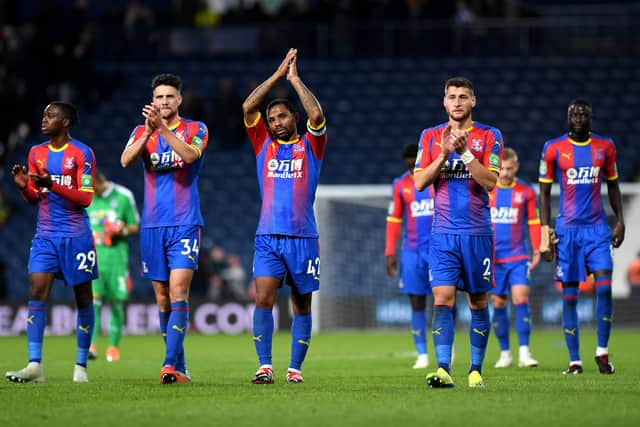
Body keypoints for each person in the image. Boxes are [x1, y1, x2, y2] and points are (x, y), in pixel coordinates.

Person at [242, 48, 326, 384]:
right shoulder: (262, 143)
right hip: (268, 237)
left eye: (282, 117)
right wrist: (276, 77)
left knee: (301, 305)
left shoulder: (311, 146)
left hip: (304, 237)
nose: (276, 123)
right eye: (272, 119)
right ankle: (264, 366)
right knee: (263, 298)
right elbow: (249, 107)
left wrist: (294, 80)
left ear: (294, 118)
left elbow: (317, 115)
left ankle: (295, 369)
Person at [414, 77, 502, 388]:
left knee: (478, 303)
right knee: (442, 299)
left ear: (473, 101)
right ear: (444, 101)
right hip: (443, 234)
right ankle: (443, 368)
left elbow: (491, 182)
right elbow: (420, 183)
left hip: (478, 233)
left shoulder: (491, 136)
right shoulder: (429, 136)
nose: (457, 102)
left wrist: (465, 154)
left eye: (463, 96)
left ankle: (476, 370)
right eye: (451, 96)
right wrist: (443, 154)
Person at [121, 73, 208, 384]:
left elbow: (189, 155)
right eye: (159, 97)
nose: (164, 102)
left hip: (185, 223)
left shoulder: (196, 129)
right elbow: (125, 160)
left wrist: (162, 130)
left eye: (170, 96)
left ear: (179, 99)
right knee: (161, 299)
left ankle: (168, 365)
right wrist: (147, 133)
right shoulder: (141, 131)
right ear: (152, 101)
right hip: (152, 225)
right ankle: (180, 368)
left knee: (178, 291)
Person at [5, 101, 97, 383]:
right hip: (45, 234)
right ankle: (35, 365)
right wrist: (24, 188)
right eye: (43, 114)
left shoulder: (82, 153)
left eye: (50, 115)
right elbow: (36, 197)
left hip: (76, 235)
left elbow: (86, 198)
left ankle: (81, 365)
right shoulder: (36, 153)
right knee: (36, 291)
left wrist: (51, 184)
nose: (44, 119)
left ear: (65, 121)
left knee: (83, 296)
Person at [539, 98, 625, 375]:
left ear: (590, 117)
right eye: (574, 113)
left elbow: (613, 186)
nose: (578, 117)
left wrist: (621, 220)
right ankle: (575, 361)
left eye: (583, 113)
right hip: (567, 231)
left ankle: (602, 351)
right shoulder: (553, 148)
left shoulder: (605, 146)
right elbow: (543, 192)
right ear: (567, 117)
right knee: (570, 296)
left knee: (604, 287)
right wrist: (544, 231)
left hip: (598, 229)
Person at [489, 147, 541, 368]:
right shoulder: (486, 190)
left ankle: (524, 353)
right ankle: (504, 353)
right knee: (498, 302)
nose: (504, 173)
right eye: (501, 168)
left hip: (518, 256)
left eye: (509, 169)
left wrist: (538, 248)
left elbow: (533, 222)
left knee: (521, 298)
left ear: (516, 167)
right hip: (493, 259)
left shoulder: (526, 192)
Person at [385, 143, 435, 369]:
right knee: (416, 301)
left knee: (445, 299)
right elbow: (394, 220)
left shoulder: (437, 178)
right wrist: (389, 252)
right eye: (409, 162)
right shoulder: (400, 185)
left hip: (438, 249)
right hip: (412, 251)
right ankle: (422, 353)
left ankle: (447, 344)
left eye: (416, 161)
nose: (412, 166)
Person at [86, 170, 140, 362]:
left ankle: (113, 347)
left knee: (117, 304)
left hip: (117, 259)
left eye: (93, 188)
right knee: (94, 303)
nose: (91, 192)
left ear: (101, 182)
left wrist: (120, 229)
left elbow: (135, 225)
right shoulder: (87, 198)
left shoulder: (124, 196)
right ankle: (91, 345)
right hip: (94, 259)